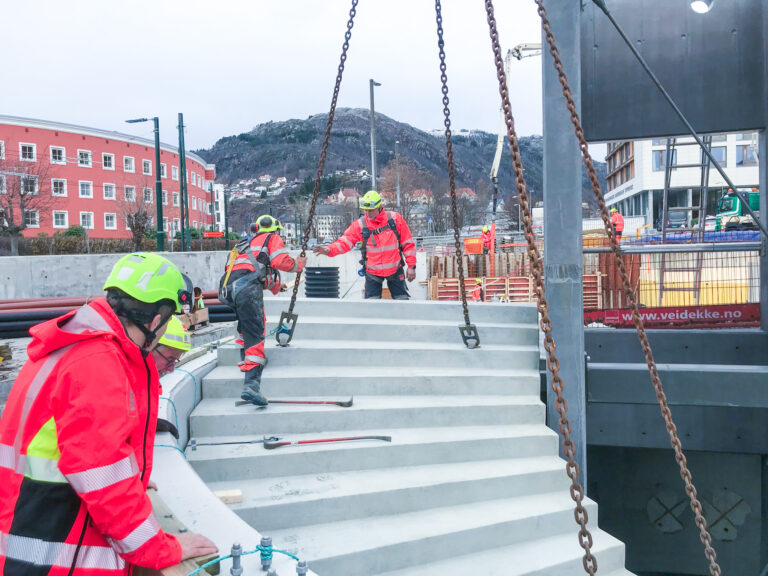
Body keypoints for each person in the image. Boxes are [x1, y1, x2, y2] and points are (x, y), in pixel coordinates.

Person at [0, 252, 217, 575]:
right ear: (156, 318)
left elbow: (80, 449)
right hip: (56, 549)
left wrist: (132, 476)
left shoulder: (78, 345)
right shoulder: (96, 363)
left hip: (31, 530)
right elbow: (103, 479)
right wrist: (161, 548)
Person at [219, 214, 306, 406]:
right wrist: (299, 265)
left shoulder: (243, 245)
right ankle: (251, 385)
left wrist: (276, 287)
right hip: (247, 290)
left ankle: (247, 366)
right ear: (274, 229)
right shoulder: (271, 238)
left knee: (245, 331)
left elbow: (252, 273)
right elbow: (281, 262)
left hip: (229, 290)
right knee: (256, 333)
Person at [314, 190, 417, 299]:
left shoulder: (394, 219)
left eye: (371, 211)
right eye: (365, 211)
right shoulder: (361, 224)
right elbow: (345, 241)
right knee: (370, 308)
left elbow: (408, 243)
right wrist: (329, 250)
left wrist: (411, 266)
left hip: (395, 269)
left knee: (402, 304)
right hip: (372, 272)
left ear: (379, 206)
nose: (367, 214)